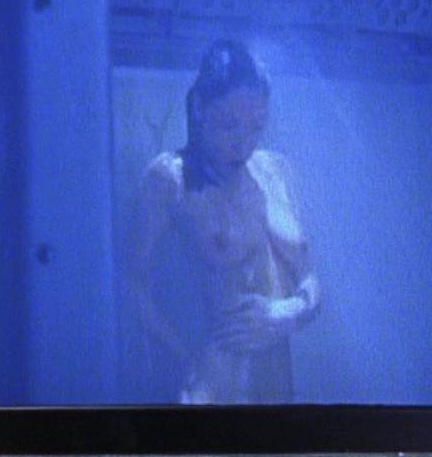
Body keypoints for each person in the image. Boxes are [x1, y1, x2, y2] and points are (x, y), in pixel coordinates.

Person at [130, 40, 320, 404]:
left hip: (279, 384)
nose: (243, 144)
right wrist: (185, 358)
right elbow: (129, 284)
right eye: (229, 126)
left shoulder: (277, 171)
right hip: (218, 382)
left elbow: (310, 279)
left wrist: (284, 314)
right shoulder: (170, 179)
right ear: (200, 108)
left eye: (257, 127)